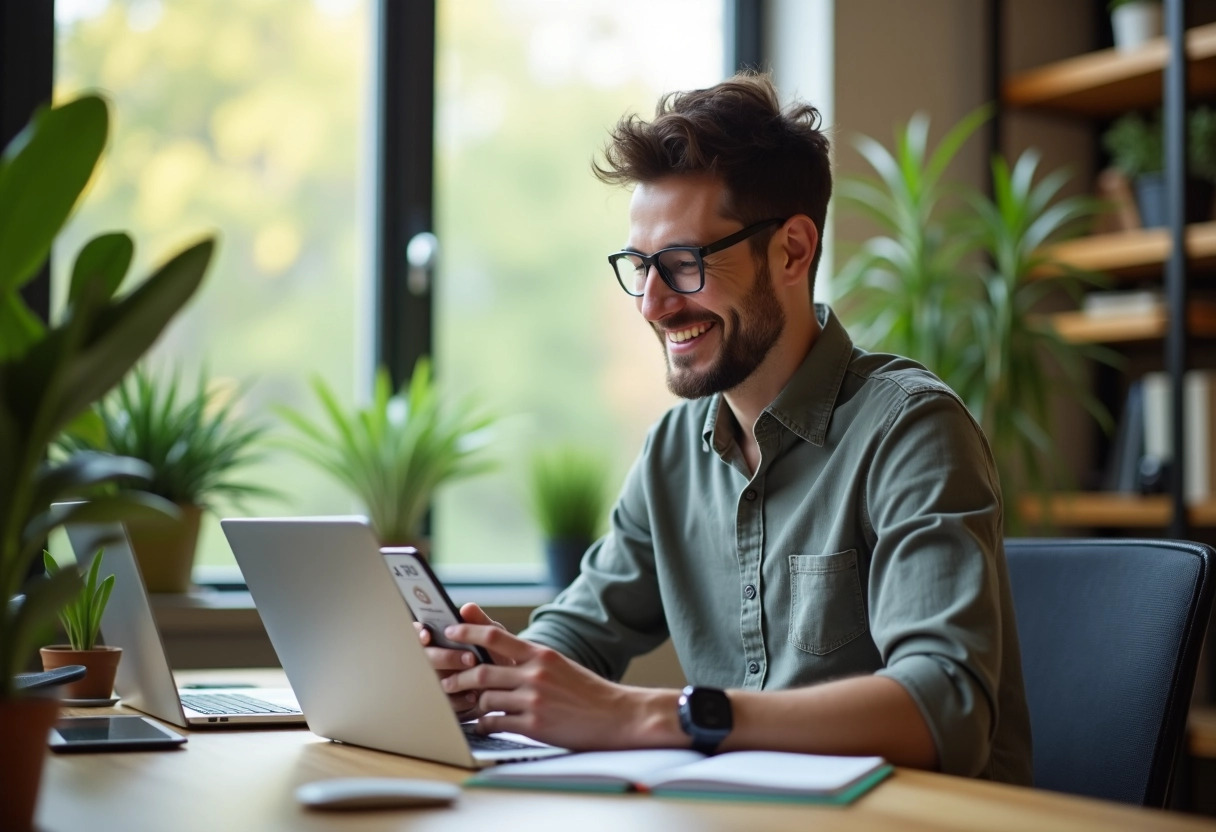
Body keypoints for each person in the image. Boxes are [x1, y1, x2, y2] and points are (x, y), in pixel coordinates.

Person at [419, 72, 1033, 784]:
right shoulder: (673, 454)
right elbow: (578, 633)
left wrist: (643, 715)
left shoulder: (912, 429)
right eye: (640, 267)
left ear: (793, 252)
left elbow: (945, 707)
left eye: (682, 265)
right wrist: (482, 668)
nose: (652, 305)